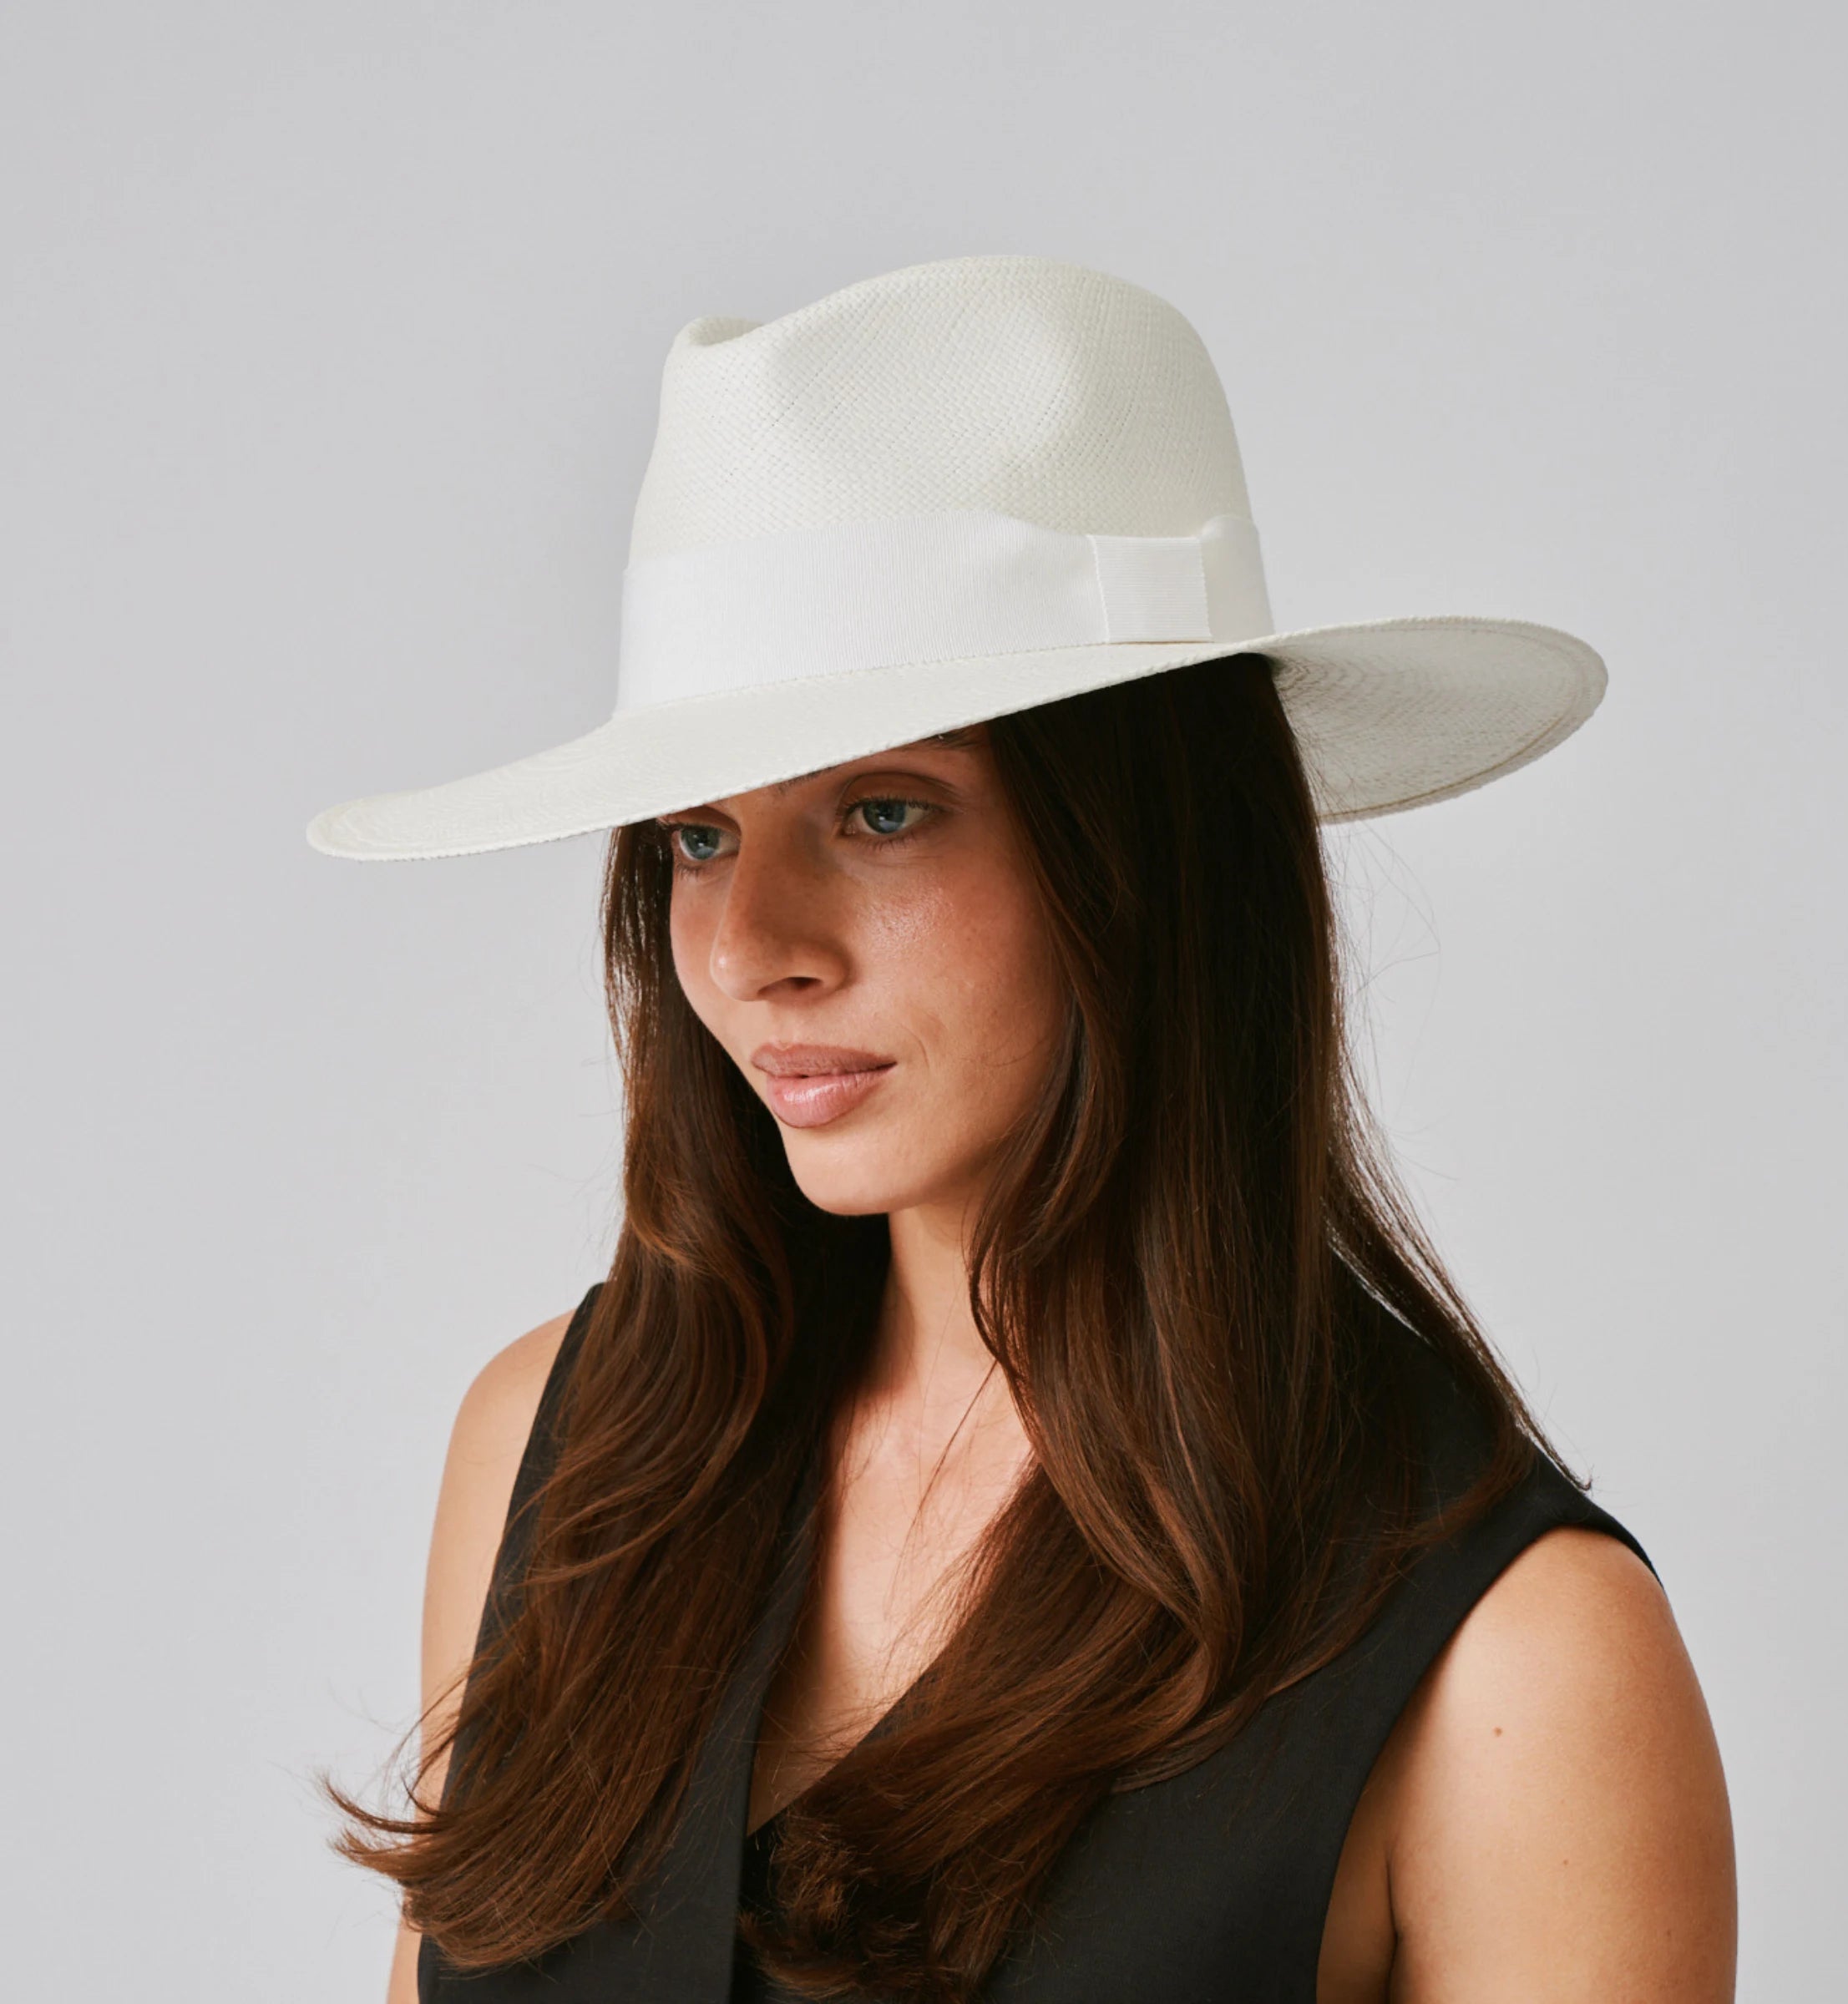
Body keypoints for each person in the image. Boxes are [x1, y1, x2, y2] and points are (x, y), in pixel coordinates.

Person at [311, 256, 1735, 2003]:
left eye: (882, 808)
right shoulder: (560, 1456)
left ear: (1144, 852)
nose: (754, 946)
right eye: (695, 835)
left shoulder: (1513, 1670)